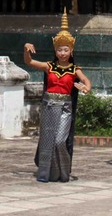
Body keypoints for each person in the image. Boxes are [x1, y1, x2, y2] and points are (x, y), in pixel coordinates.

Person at [24, 10, 91, 182]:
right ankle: (46, 174)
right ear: (56, 50)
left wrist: (85, 88)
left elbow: (87, 82)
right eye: (60, 49)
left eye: (65, 49)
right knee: (47, 139)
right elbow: (30, 62)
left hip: (65, 107)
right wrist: (26, 50)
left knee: (60, 140)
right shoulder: (49, 66)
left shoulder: (75, 69)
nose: (62, 53)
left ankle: (63, 171)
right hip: (48, 105)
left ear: (71, 51)